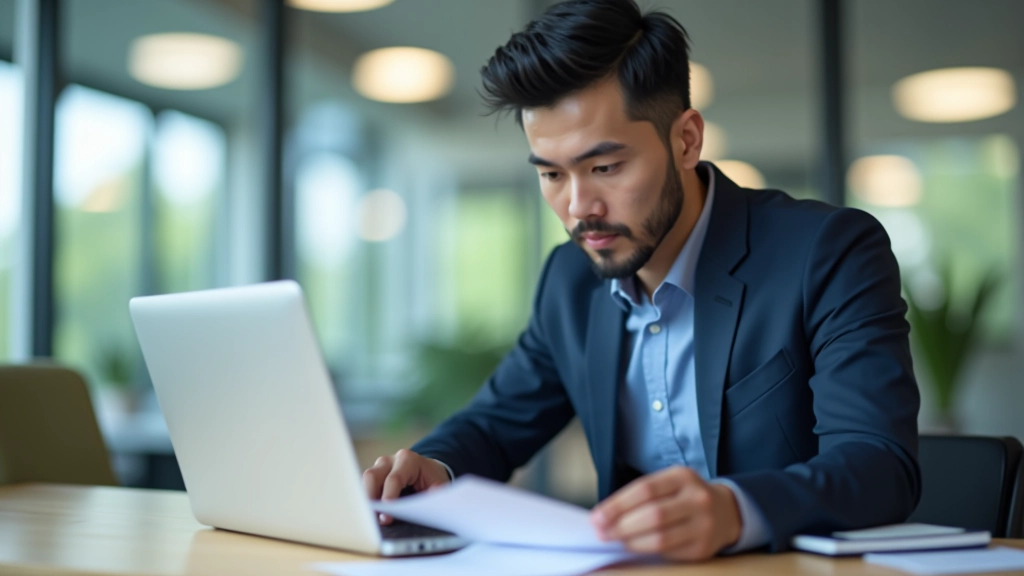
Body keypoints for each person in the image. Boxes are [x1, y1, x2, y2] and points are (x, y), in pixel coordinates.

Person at [362, 0, 920, 561]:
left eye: (605, 168)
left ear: (686, 140)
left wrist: (734, 510)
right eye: (552, 174)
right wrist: (429, 469)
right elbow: (494, 425)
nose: (579, 207)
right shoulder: (569, 282)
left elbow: (878, 464)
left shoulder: (826, 251)